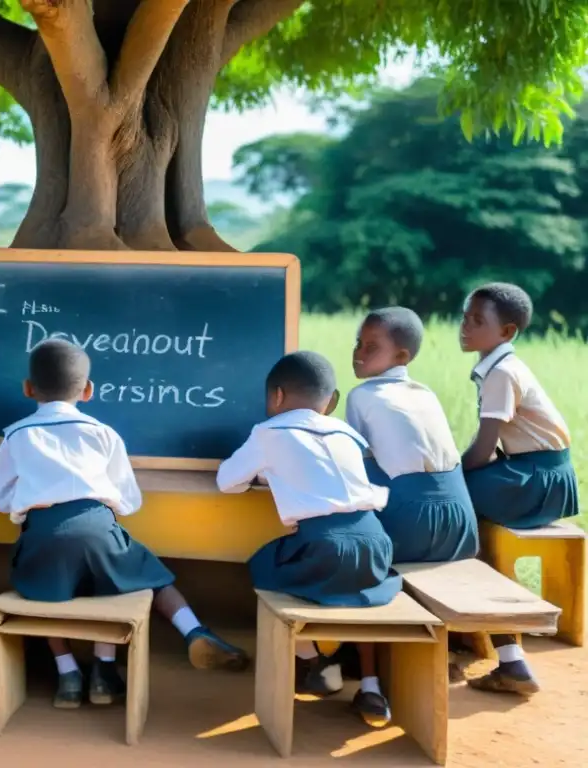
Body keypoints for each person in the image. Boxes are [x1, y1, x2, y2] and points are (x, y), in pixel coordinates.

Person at [0, 339, 248, 710]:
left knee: (47, 595)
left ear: (28, 389)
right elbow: (127, 500)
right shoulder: (103, 434)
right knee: (138, 580)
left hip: (43, 535)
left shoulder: (16, 435)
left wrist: (30, 508)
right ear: (88, 390)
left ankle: (68, 675)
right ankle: (158, 646)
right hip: (97, 526)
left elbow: (2, 494)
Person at [217, 351, 401, 728]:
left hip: (322, 545)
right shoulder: (348, 434)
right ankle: (371, 686)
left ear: (277, 397)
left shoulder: (268, 433)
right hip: (375, 541)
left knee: (263, 567)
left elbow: (226, 481)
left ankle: (313, 661)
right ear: (329, 401)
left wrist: (263, 476)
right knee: (360, 599)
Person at [460, 282, 578, 696]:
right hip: (536, 474)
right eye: (464, 317)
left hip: (536, 482)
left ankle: (505, 651)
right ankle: (483, 634)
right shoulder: (498, 365)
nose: (465, 327)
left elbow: (481, 447)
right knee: (456, 511)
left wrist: (448, 475)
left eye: (477, 321)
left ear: (506, 332)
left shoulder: (502, 372)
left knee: (449, 506)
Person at [346, 307, 479, 564]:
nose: (358, 353)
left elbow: (355, 465)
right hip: (461, 526)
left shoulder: (361, 395)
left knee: (351, 466)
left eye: (371, 347)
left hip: (410, 526)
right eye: (358, 344)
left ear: (401, 356)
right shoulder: (425, 393)